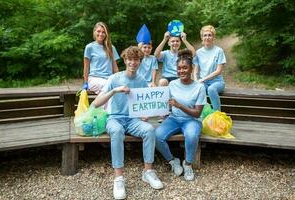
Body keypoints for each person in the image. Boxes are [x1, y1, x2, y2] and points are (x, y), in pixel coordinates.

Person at [93, 46, 163, 200]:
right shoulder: (114, 78)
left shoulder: (142, 80)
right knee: (117, 132)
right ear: (124, 60)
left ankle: (148, 172)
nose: (133, 63)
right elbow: (96, 103)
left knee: (149, 130)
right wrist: (114, 91)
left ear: (140, 62)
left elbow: (146, 103)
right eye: (129, 59)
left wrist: (145, 114)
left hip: (133, 120)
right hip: (114, 118)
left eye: (136, 60)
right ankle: (118, 179)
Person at [155, 49, 207, 181]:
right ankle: (173, 161)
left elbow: (197, 113)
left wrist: (179, 105)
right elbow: (165, 105)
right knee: (156, 135)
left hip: (191, 120)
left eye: (185, 68)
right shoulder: (172, 84)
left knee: (192, 135)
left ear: (191, 69)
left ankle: (188, 164)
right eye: (179, 68)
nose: (182, 71)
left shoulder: (199, 87)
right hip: (174, 119)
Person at [193, 25, 226, 110]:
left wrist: (203, 79)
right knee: (199, 88)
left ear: (213, 37)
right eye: (205, 35)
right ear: (202, 38)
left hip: (217, 82)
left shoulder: (219, 51)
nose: (207, 37)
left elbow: (218, 71)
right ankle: (201, 114)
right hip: (203, 82)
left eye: (209, 35)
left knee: (211, 89)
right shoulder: (198, 52)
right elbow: (196, 70)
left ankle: (217, 114)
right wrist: (196, 80)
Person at [83, 22, 120, 94]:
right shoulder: (89, 47)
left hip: (109, 79)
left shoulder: (111, 48)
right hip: (94, 79)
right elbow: (86, 67)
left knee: (115, 90)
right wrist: (86, 83)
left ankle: (97, 105)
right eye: (98, 31)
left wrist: (118, 80)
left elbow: (115, 67)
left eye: (103, 32)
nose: (101, 34)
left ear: (106, 34)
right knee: (109, 87)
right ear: (94, 32)